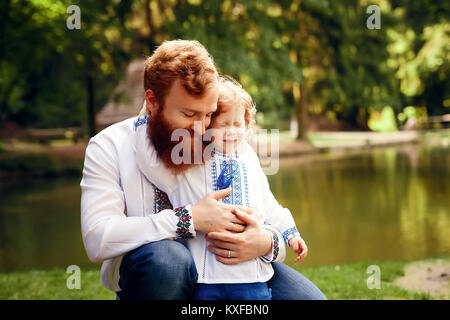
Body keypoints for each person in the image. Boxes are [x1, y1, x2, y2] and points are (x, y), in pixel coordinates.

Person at [80, 39, 326, 300]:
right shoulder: (109, 147)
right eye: (188, 114)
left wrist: (267, 242)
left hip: (233, 270)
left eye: (208, 114)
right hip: (160, 277)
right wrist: (189, 219)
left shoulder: (223, 143)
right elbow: (98, 238)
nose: (201, 128)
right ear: (152, 101)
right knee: (168, 261)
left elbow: (263, 204)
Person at [135, 75, 309, 300]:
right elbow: (151, 165)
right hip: (207, 276)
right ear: (206, 127)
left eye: (237, 124)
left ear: (247, 125)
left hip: (251, 277)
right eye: (222, 124)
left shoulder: (250, 160)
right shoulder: (192, 160)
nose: (231, 131)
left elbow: (268, 203)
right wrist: (144, 121)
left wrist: (290, 233)